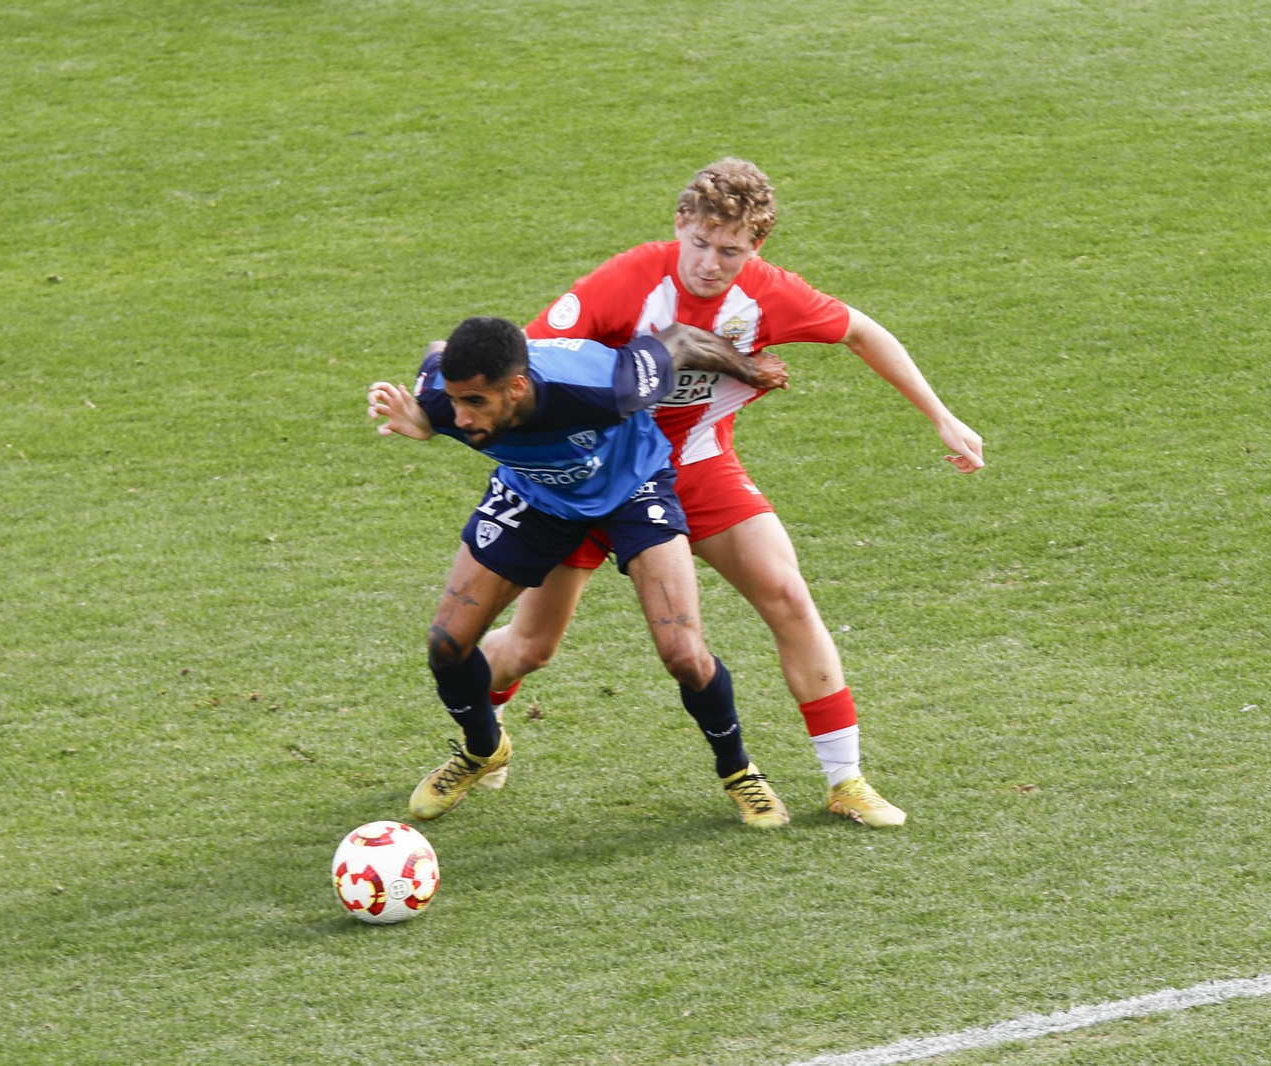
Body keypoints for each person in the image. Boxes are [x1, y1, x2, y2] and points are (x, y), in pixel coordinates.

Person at [478, 159, 986, 828]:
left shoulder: (770, 294)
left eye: (732, 251)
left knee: (787, 594)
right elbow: (530, 362)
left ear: (756, 248)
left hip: (697, 467)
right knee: (530, 647)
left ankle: (846, 780)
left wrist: (940, 415)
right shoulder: (626, 280)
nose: (712, 264)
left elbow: (863, 331)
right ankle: (482, 740)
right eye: (701, 244)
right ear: (679, 225)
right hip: (595, 478)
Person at [367, 316, 794, 827]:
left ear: (518, 387)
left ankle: (738, 770)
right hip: (536, 494)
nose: (460, 418)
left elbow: (679, 340)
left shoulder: (604, 384)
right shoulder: (444, 394)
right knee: (446, 645)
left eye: (475, 403)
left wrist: (748, 367)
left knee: (683, 654)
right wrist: (424, 420)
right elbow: (437, 350)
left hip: (631, 487)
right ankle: (484, 750)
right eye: (454, 402)